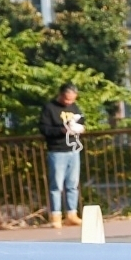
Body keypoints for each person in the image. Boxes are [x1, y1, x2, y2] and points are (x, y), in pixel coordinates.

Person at [40, 83, 85, 227]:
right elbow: (44, 128)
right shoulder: (50, 108)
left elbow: (81, 120)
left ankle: (72, 213)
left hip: (73, 149)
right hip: (57, 150)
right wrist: (61, 131)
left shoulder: (74, 107)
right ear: (61, 95)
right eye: (67, 99)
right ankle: (56, 216)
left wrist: (80, 128)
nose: (69, 103)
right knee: (57, 185)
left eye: (72, 100)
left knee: (72, 184)